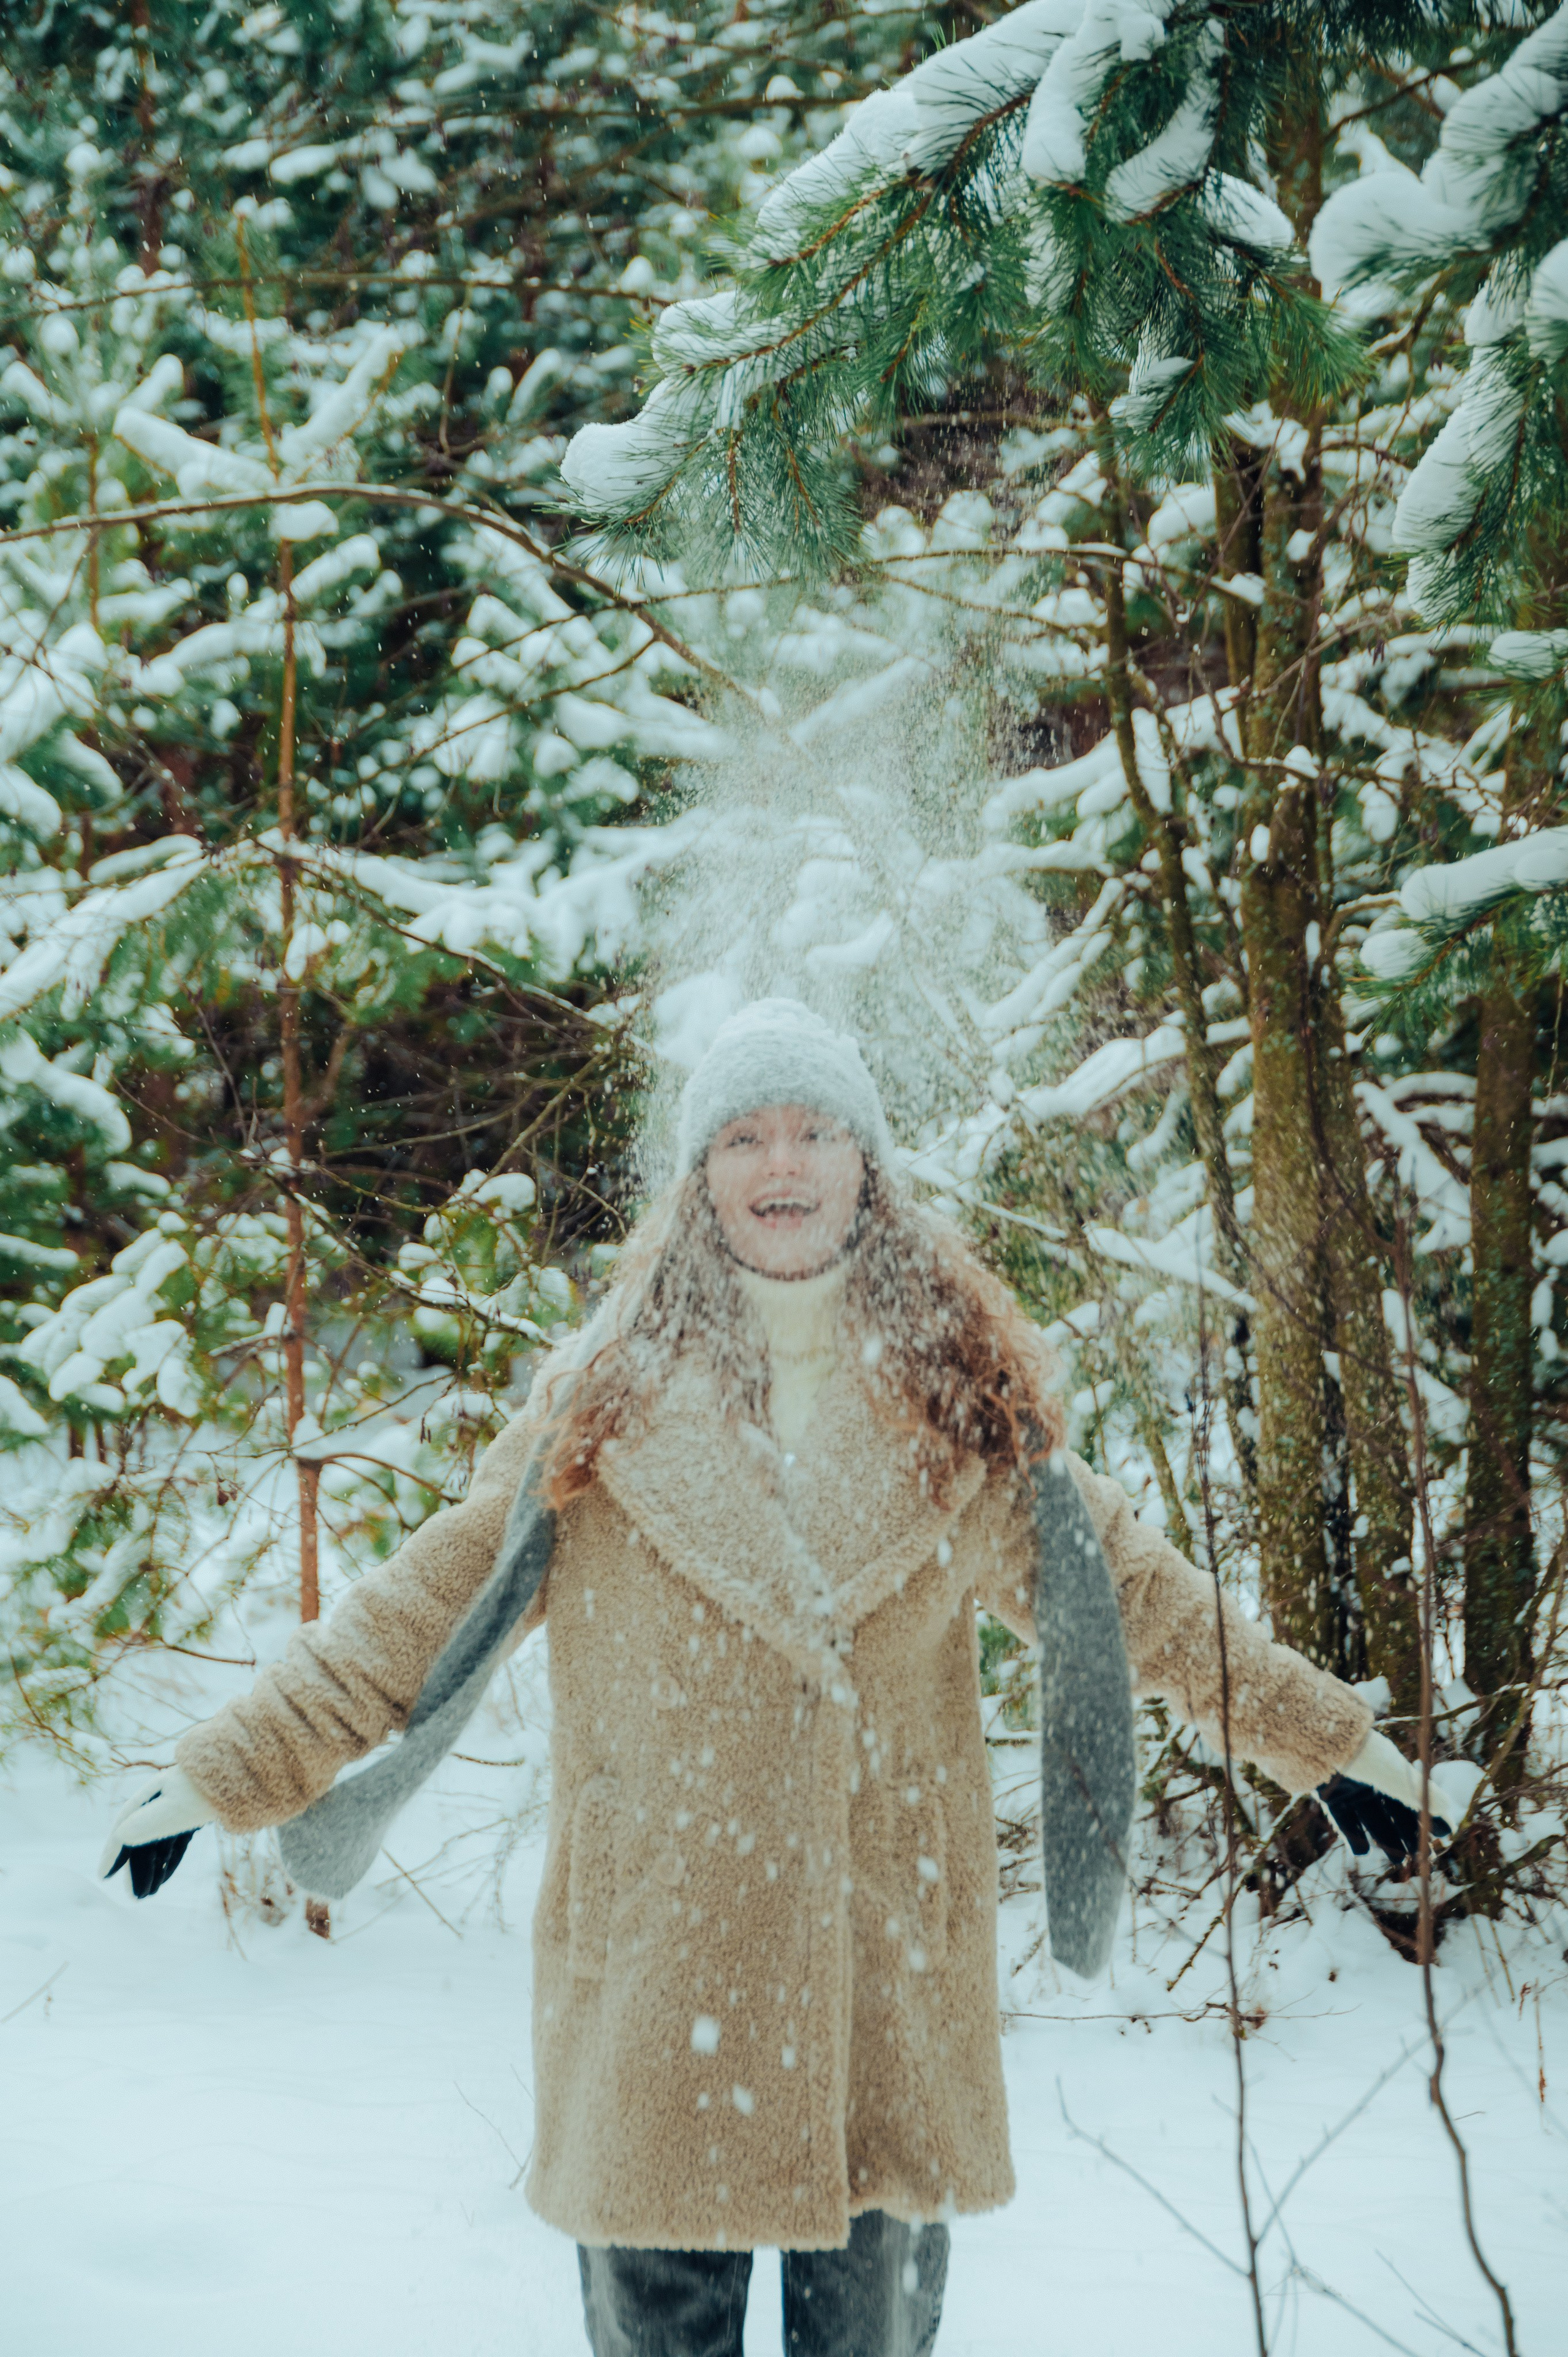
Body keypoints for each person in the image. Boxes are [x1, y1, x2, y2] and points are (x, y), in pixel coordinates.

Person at [103, 999, 1446, 2357]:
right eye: (745, 1135)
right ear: (701, 1179)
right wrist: (221, 1771)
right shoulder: (599, 1405)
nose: (782, 1163)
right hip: (652, 1987)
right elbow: (418, 1615)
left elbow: (1139, 1603)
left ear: (868, 1166)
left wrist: (1328, 1744)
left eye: (814, 1131)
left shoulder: (962, 1406)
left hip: (879, 1989)